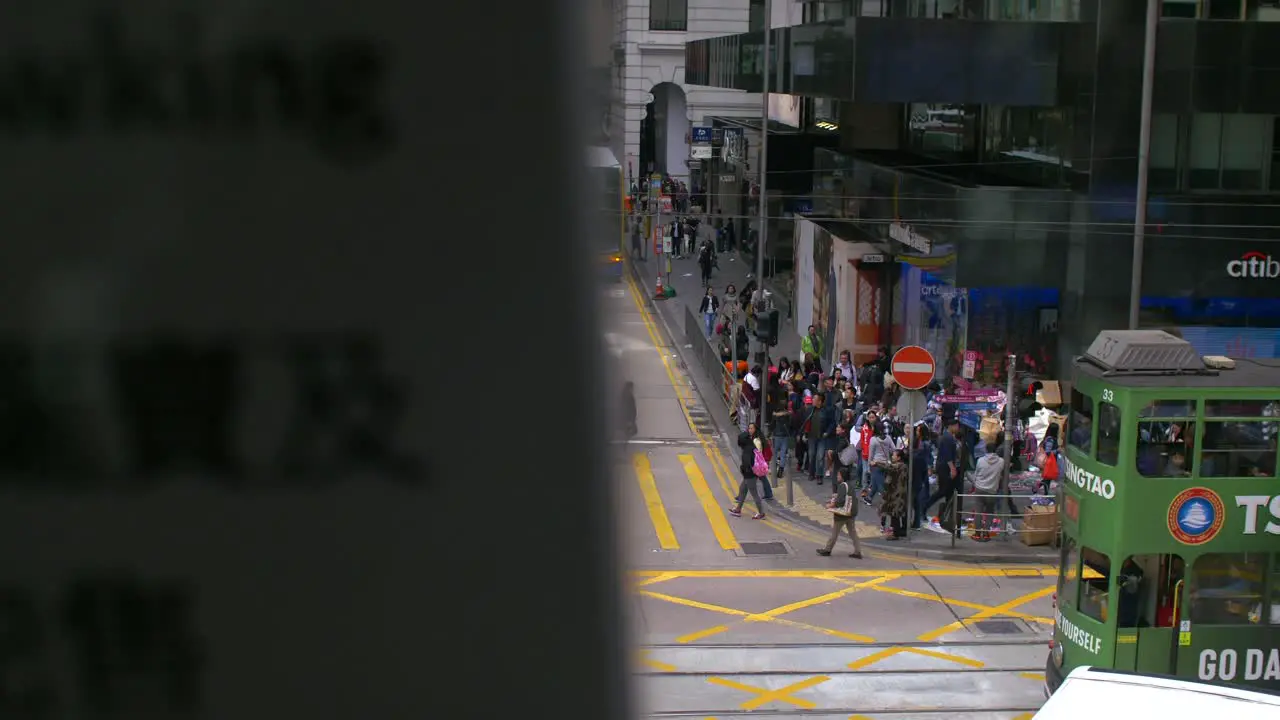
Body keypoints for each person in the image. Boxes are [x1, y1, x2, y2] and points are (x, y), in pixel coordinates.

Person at [728, 423, 767, 519]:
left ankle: (761, 513)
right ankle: (738, 509)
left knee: (754, 493)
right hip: (749, 474)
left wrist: (743, 469)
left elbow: (747, 464)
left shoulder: (747, 450)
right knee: (742, 490)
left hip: (750, 475)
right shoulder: (751, 446)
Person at [881, 449, 908, 539]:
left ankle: (895, 534)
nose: (892, 456)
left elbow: (890, 467)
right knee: (895, 513)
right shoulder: (900, 466)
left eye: (894, 455)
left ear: (899, 457)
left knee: (895, 513)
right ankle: (896, 531)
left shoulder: (901, 466)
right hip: (895, 492)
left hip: (898, 493)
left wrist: (877, 463)